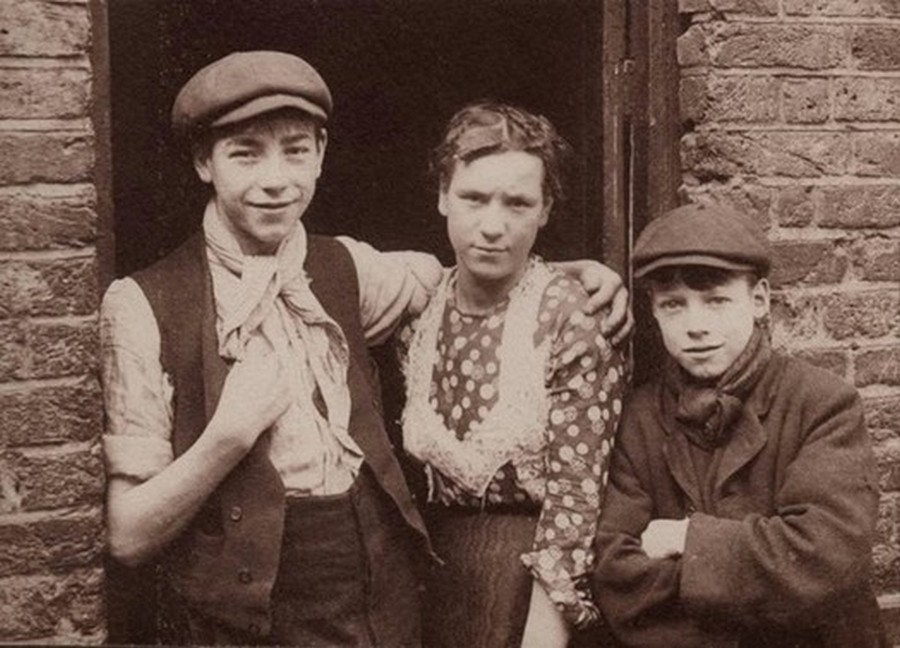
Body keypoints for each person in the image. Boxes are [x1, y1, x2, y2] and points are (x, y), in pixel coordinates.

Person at [100, 51, 630, 646]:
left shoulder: (351, 268)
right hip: (245, 618)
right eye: (245, 153)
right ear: (204, 161)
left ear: (321, 155)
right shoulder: (142, 304)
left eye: (296, 150)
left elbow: (480, 280)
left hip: (384, 605)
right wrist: (228, 434)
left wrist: (574, 276)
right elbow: (128, 536)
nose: (275, 179)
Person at [592, 203, 886, 647]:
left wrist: (687, 539)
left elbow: (825, 557)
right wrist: (751, 579)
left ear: (759, 301)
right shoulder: (639, 417)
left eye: (716, 301)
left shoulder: (823, 404)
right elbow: (618, 571)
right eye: (674, 305)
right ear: (652, 312)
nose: (696, 326)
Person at [398, 102, 627, 648]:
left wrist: (541, 638)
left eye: (518, 203)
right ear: (441, 197)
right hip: (435, 569)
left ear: (545, 210)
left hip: (530, 585)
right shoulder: (417, 308)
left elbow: (577, 496)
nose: (493, 226)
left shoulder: (570, 317)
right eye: (473, 198)